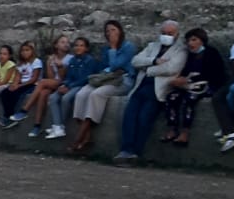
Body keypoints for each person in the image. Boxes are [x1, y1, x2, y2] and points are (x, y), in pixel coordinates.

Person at [114, 21, 188, 162]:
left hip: (158, 89)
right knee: (129, 116)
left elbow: (171, 68)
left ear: (177, 34)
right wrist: (154, 61)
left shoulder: (181, 50)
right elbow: (135, 61)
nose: (166, 36)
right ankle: (126, 150)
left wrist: (148, 69)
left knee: (144, 119)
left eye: (170, 33)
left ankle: (136, 152)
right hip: (141, 86)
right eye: (164, 33)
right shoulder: (152, 46)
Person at [68, 21, 135, 156]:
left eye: (113, 30)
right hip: (106, 78)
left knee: (96, 94)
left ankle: (79, 138)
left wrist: (114, 48)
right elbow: (103, 67)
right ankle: (88, 137)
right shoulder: (105, 49)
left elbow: (116, 65)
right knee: (82, 94)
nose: (110, 33)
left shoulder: (128, 47)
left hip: (122, 80)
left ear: (120, 31)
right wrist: (110, 54)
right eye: (108, 31)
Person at [163, 28, 232, 147]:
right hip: (187, 86)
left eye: (194, 40)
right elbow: (184, 71)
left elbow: (215, 74)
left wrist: (189, 79)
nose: (191, 43)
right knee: (172, 97)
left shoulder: (211, 53)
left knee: (189, 99)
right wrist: (179, 80)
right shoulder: (189, 55)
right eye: (188, 41)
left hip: (207, 85)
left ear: (202, 41)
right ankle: (172, 129)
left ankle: (185, 132)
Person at [43, 36, 97, 140]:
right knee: (53, 97)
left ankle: (60, 126)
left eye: (81, 46)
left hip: (81, 85)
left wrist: (69, 86)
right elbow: (69, 76)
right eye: (76, 45)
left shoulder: (90, 60)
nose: (78, 48)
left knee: (66, 98)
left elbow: (85, 78)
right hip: (70, 84)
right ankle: (57, 126)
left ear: (86, 48)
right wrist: (64, 85)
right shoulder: (73, 60)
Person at [23, 35, 69, 136]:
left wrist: (60, 66)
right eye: (62, 42)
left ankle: (25, 109)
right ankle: (37, 125)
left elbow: (62, 77)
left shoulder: (70, 58)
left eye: (67, 42)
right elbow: (51, 77)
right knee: (43, 93)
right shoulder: (53, 58)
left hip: (64, 83)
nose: (66, 44)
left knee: (42, 82)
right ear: (56, 45)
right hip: (54, 83)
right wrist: (49, 64)